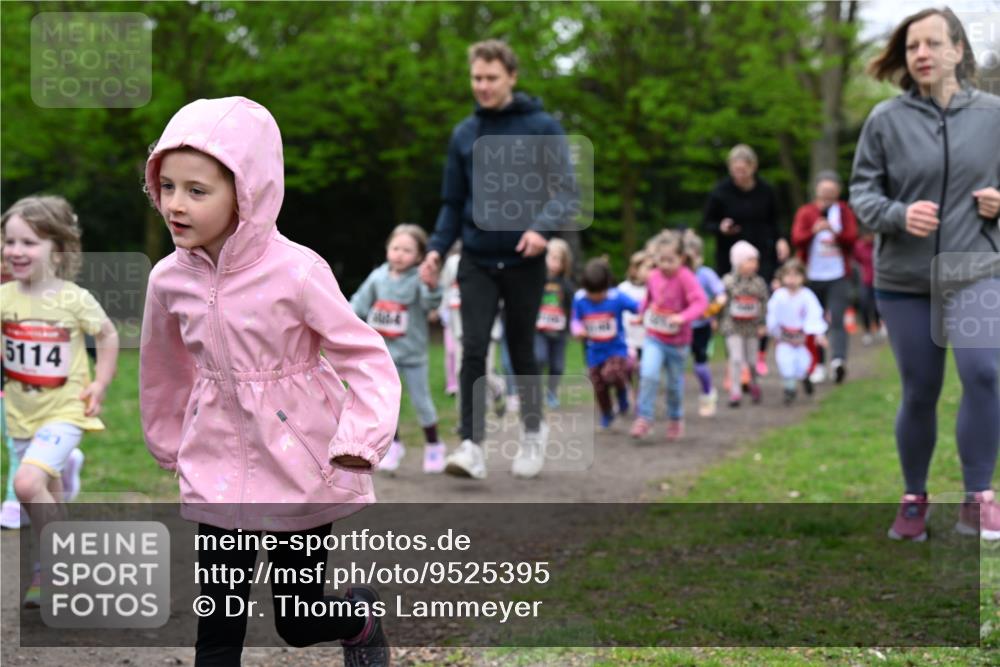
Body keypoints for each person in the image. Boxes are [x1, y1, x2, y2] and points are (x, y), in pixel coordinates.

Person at [139, 97, 401, 665]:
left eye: (197, 191)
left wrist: (360, 437)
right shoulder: (167, 279)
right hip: (215, 466)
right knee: (217, 629)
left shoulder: (298, 270)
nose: (175, 205)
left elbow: (365, 355)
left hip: (295, 464)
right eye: (167, 187)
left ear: (247, 191)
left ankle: (357, 621)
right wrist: (168, 442)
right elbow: (161, 367)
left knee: (298, 620)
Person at [850, 7, 1000, 541]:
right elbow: (862, 192)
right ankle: (914, 496)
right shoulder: (885, 121)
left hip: (976, 269)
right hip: (905, 279)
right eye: (913, 46)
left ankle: (977, 496)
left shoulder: (993, 115)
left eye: (933, 44)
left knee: (985, 374)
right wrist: (897, 214)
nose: (922, 54)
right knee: (921, 390)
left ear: (958, 51)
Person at [419, 39, 574, 480]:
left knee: (521, 350)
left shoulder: (543, 127)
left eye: (490, 78)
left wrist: (541, 230)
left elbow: (565, 192)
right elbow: (452, 202)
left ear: (511, 77)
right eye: (476, 78)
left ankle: (532, 431)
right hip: (477, 258)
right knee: (473, 348)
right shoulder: (465, 134)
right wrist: (434, 249)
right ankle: (471, 446)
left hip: (525, 260)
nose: (482, 86)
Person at [1, 195, 120, 606]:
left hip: (65, 411)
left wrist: (100, 384)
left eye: (29, 242)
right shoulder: (4, 298)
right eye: (9, 241)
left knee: (25, 483)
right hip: (21, 415)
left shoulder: (73, 299)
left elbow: (106, 335)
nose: (15, 250)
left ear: (59, 247)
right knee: (45, 496)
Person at [351, 224, 447, 474]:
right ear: (387, 249)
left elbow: (430, 303)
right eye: (395, 248)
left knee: (421, 402)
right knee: (386, 405)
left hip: (413, 355)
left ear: (418, 256)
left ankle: (434, 445)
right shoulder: (378, 277)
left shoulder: (418, 279)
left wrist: (433, 287)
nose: (400, 254)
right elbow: (358, 305)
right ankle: (394, 445)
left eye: (407, 250)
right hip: (385, 357)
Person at [702, 143, 790, 378]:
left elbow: (776, 219)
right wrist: (721, 227)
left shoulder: (766, 190)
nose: (739, 174)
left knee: (760, 302)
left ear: (753, 167)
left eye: (743, 170)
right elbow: (707, 223)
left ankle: (758, 353)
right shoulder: (720, 192)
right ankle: (736, 360)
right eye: (735, 170)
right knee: (733, 306)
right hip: (730, 257)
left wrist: (781, 239)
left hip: (762, 255)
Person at [629, 231, 708, 441]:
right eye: (660, 260)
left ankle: (675, 418)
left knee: (673, 385)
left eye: (670, 260)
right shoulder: (654, 276)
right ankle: (644, 417)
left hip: (678, 342)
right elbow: (649, 298)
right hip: (655, 336)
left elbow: (701, 303)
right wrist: (641, 315)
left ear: (681, 258)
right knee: (648, 374)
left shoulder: (686, 278)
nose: (664, 265)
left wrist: (683, 317)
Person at [791, 171, 858, 385]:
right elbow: (797, 239)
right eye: (824, 191)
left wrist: (834, 231)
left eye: (832, 191)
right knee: (813, 323)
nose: (828, 195)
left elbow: (852, 239)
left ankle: (838, 361)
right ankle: (817, 364)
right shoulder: (806, 212)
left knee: (837, 319)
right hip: (811, 277)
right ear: (817, 190)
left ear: (837, 191)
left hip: (838, 275)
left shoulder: (844, 211)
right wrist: (814, 230)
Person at [572, 259, 637, 430]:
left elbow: (637, 306)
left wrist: (642, 315)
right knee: (598, 384)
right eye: (590, 292)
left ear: (607, 287)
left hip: (616, 349)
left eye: (599, 292)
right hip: (594, 352)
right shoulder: (580, 299)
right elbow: (574, 319)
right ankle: (607, 412)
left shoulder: (617, 297)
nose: (594, 297)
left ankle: (623, 393)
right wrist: (578, 330)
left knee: (612, 374)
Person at [766, 259, 828, 405]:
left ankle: (805, 378)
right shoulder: (779, 296)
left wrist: (819, 334)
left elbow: (815, 314)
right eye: (788, 275)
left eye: (796, 275)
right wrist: (770, 329)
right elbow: (772, 314)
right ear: (782, 277)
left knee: (802, 363)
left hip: (801, 339)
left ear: (803, 277)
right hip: (784, 337)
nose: (792, 279)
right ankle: (790, 390)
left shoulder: (807, 296)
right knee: (785, 362)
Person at [719, 241, 770, 408]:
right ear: (738, 262)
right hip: (732, 326)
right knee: (736, 358)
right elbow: (720, 303)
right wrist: (714, 317)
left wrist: (763, 324)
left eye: (755, 261)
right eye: (750, 260)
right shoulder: (728, 281)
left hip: (752, 327)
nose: (754, 265)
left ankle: (754, 383)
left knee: (752, 360)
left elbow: (764, 304)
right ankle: (735, 392)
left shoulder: (759, 283)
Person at [683, 230, 727, 417]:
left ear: (699, 256)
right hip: (681, 327)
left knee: (700, 365)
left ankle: (708, 393)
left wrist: (709, 312)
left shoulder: (706, 274)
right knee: (677, 365)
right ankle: (675, 405)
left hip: (701, 327)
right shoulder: (677, 275)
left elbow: (722, 296)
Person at [534, 238, 574, 409]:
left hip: (559, 332)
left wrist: (571, 326)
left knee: (557, 366)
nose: (554, 263)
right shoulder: (535, 280)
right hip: (539, 330)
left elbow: (571, 307)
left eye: (559, 259)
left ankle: (551, 392)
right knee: (539, 357)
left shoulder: (566, 285)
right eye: (552, 257)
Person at [617, 249, 652, 363]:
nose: (652, 272)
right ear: (634, 269)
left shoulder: (653, 289)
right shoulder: (623, 289)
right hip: (628, 340)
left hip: (648, 339)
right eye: (647, 268)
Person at [852, 228, 883, 346]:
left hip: (878, 281)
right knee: (864, 305)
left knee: (877, 306)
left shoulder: (877, 245)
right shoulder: (858, 247)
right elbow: (855, 260)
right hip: (865, 281)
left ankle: (879, 326)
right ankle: (867, 331)